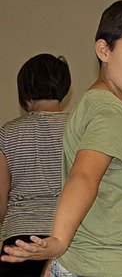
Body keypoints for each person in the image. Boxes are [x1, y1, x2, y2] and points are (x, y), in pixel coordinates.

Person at [1, 0, 122, 277]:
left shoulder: (95, 105)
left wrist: (56, 262)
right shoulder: (109, 111)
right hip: (108, 265)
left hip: (90, 261)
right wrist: (58, 241)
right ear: (104, 50)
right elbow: (83, 176)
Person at [0, 53, 71, 277]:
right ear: (64, 87)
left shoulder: (8, 132)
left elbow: (1, 198)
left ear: (25, 90)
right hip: (66, 236)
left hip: (18, 238)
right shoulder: (78, 129)